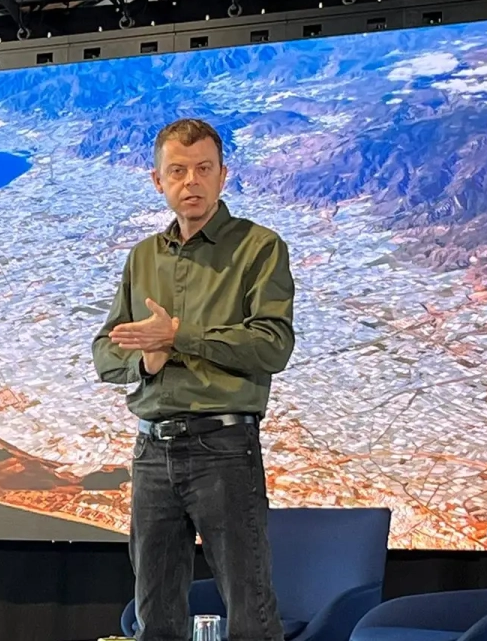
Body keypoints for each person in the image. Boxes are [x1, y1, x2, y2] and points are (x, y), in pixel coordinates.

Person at [92, 118, 295, 641]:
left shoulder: (259, 247)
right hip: (151, 452)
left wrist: (179, 338)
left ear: (223, 175)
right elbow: (104, 354)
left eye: (203, 169)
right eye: (177, 171)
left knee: (250, 612)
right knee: (154, 613)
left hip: (224, 448)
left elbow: (273, 345)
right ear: (157, 181)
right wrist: (148, 362)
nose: (191, 182)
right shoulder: (143, 258)